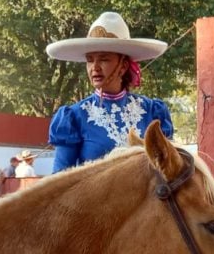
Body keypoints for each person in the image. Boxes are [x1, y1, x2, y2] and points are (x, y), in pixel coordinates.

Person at [46, 12, 173, 173]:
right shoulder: (74, 117)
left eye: (104, 59)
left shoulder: (152, 111)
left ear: (123, 65)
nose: (95, 67)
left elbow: (168, 170)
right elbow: (60, 180)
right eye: (90, 60)